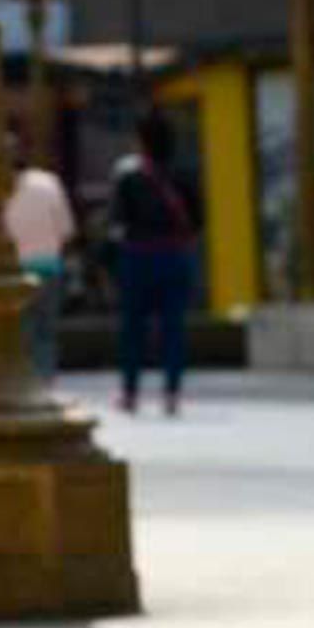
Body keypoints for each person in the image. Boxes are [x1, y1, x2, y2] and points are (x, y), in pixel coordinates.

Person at [109, 112, 201, 416]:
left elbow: (117, 221)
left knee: (132, 327)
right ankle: (172, 393)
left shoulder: (129, 177)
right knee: (174, 327)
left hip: (138, 257)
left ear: (142, 140)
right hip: (175, 255)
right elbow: (198, 220)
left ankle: (130, 392)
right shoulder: (184, 174)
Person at [3, 156, 77, 380]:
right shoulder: (49, 182)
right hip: (49, 267)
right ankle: (45, 382)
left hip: (13, 271)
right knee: (46, 332)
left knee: (18, 334)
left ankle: (21, 382)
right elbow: (66, 229)